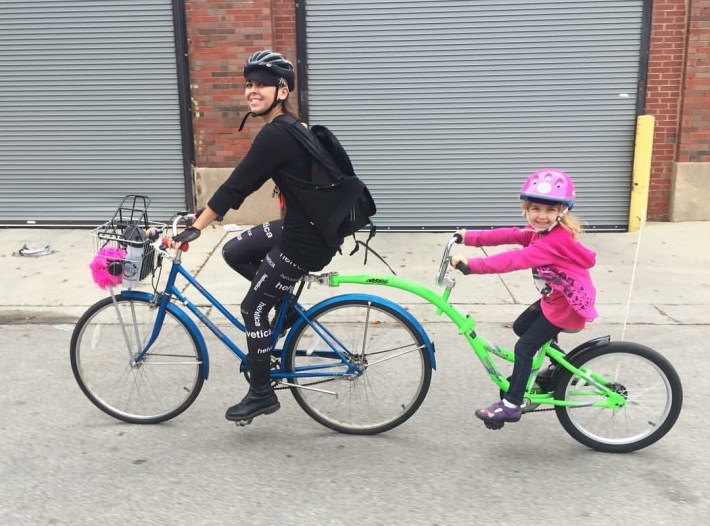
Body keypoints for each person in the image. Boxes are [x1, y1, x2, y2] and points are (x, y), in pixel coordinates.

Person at [169, 50, 342, 423]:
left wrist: (197, 228)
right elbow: (240, 186)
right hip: (304, 226)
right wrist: (201, 218)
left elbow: (237, 186)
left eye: (261, 84)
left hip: (304, 239)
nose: (252, 91)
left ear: (282, 91)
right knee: (234, 250)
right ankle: (287, 312)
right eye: (248, 84)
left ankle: (261, 393)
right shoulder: (289, 126)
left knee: (252, 308)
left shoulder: (277, 134)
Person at [450, 168, 598, 424]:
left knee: (525, 347)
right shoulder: (542, 232)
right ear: (527, 209)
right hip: (555, 298)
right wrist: (470, 237)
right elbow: (510, 235)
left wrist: (471, 266)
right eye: (536, 209)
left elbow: (515, 260)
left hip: (566, 304)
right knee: (522, 327)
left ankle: (512, 403)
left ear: (561, 211)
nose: (542, 216)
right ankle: (559, 366)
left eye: (550, 210)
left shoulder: (553, 241)